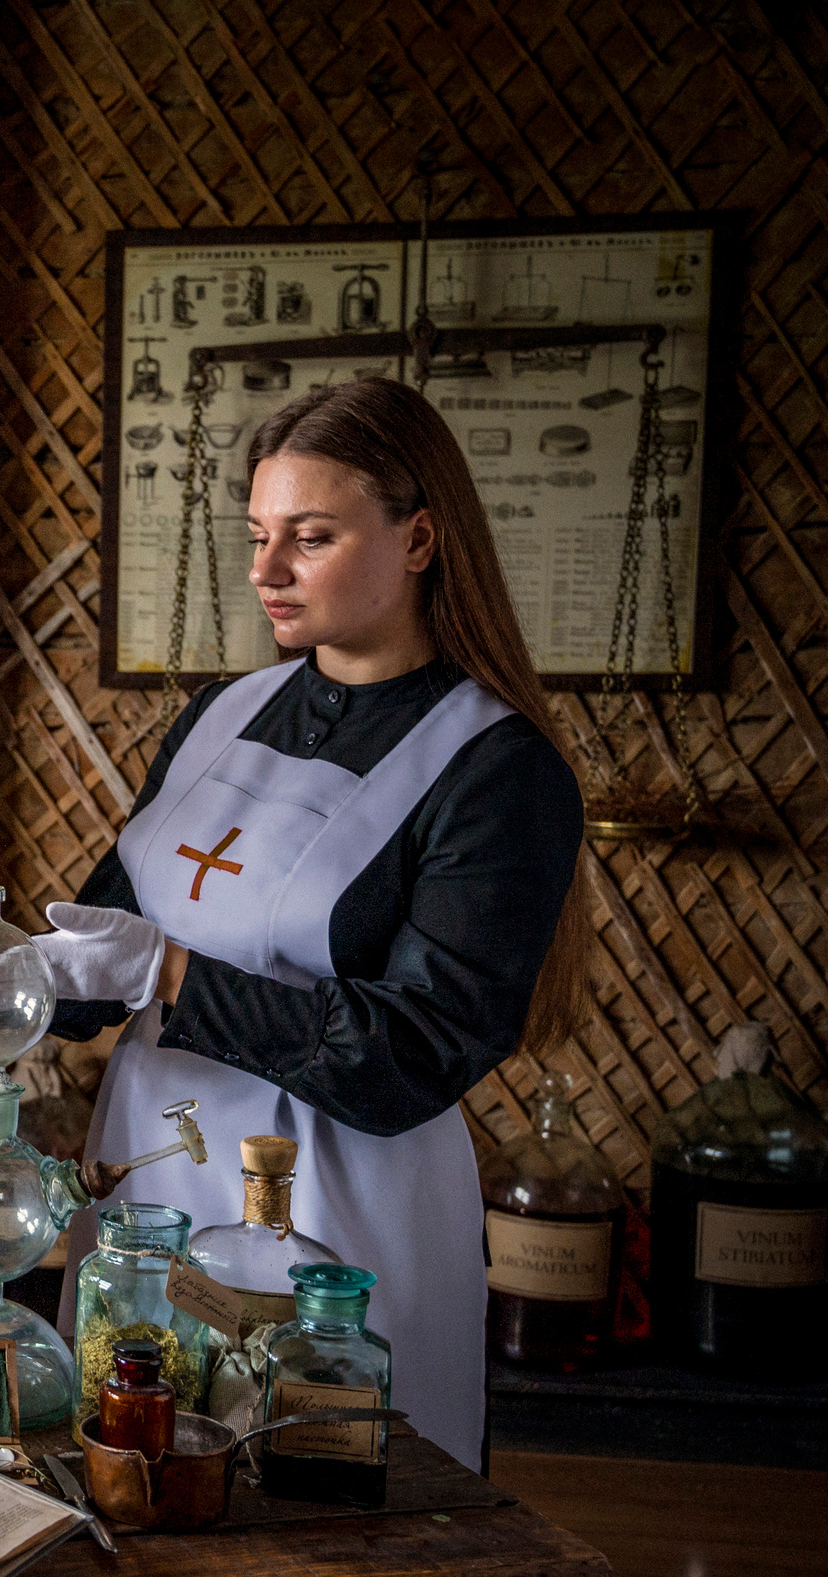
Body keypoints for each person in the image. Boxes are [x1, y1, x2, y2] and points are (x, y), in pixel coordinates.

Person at [37, 377, 586, 1487]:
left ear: (419, 537)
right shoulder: (220, 713)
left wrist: (174, 973)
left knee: (314, 1499)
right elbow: (104, 961)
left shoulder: (495, 767)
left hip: (335, 1209)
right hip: (149, 1187)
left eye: (311, 537)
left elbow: (411, 1056)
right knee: (130, 1476)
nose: (265, 571)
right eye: (256, 536)